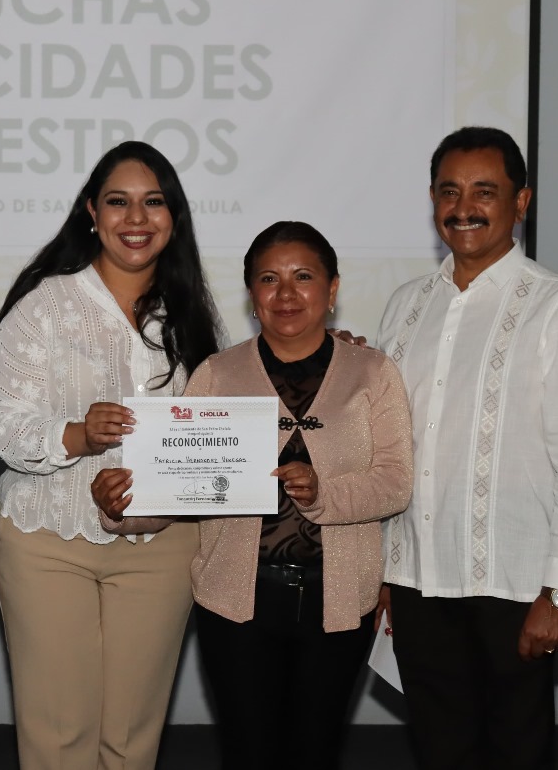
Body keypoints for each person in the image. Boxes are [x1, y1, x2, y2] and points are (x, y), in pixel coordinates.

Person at [93, 221, 414, 769]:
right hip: (235, 604)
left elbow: (395, 481)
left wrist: (323, 494)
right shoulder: (217, 374)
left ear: (332, 289)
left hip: (336, 605)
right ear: (251, 295)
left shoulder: (373, 372)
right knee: (247, 752)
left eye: (304, 277)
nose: (286, 294)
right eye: (269, 279)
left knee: (315, 751)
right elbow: (180, 487)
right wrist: (124, 506)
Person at [375, 127, 558, 770]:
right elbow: (393, 447)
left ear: (522, 201)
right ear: (431, 199)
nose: (465, 207)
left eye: (486, 191)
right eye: (449, 191)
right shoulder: (405, 305)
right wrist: (386, 568)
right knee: (439, 749)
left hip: (513, 581)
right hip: (418, 577)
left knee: (516, 753)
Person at [0, 140, 220, 770]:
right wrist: (80, 437)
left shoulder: (189, 315)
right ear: (92, 211)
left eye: (154, 203)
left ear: (174, 218)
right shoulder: (43, 308)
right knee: (60, 736)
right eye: (118, 202)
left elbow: (213, 433)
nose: (136, 219)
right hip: (48, 540)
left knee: (131, 739)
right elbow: (5, 428)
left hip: (163, 546)